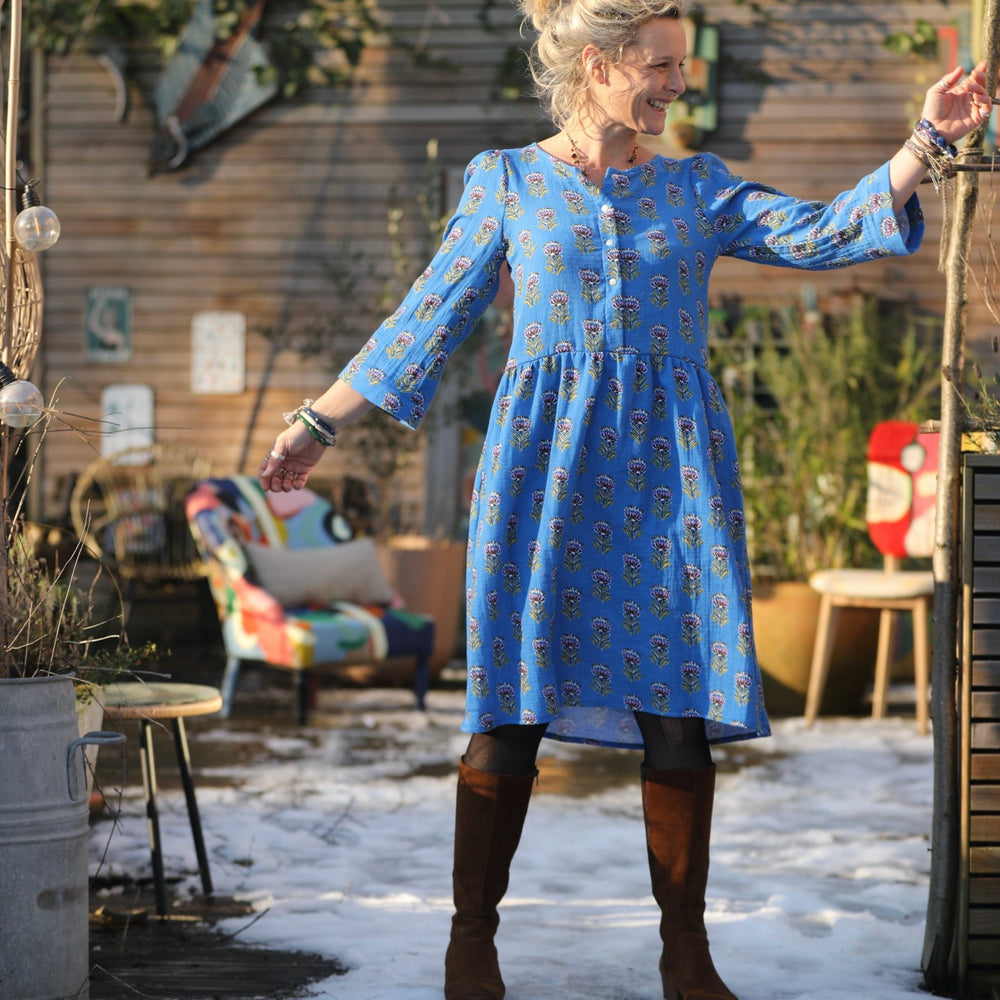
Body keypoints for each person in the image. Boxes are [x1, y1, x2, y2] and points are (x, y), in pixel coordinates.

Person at [258, 0, 994, 995]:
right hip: (540, 473)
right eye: (660, 66)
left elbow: (819, 232)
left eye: (681, 66)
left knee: (677, 707)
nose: (678, 85)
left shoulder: (696, 187)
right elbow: (425, 317)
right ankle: (470, 942)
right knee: (509, 709)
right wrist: (317, 422)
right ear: (599, 65)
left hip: (671, 477)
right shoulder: (506, 181)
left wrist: (924, 141)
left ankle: (685, 952)